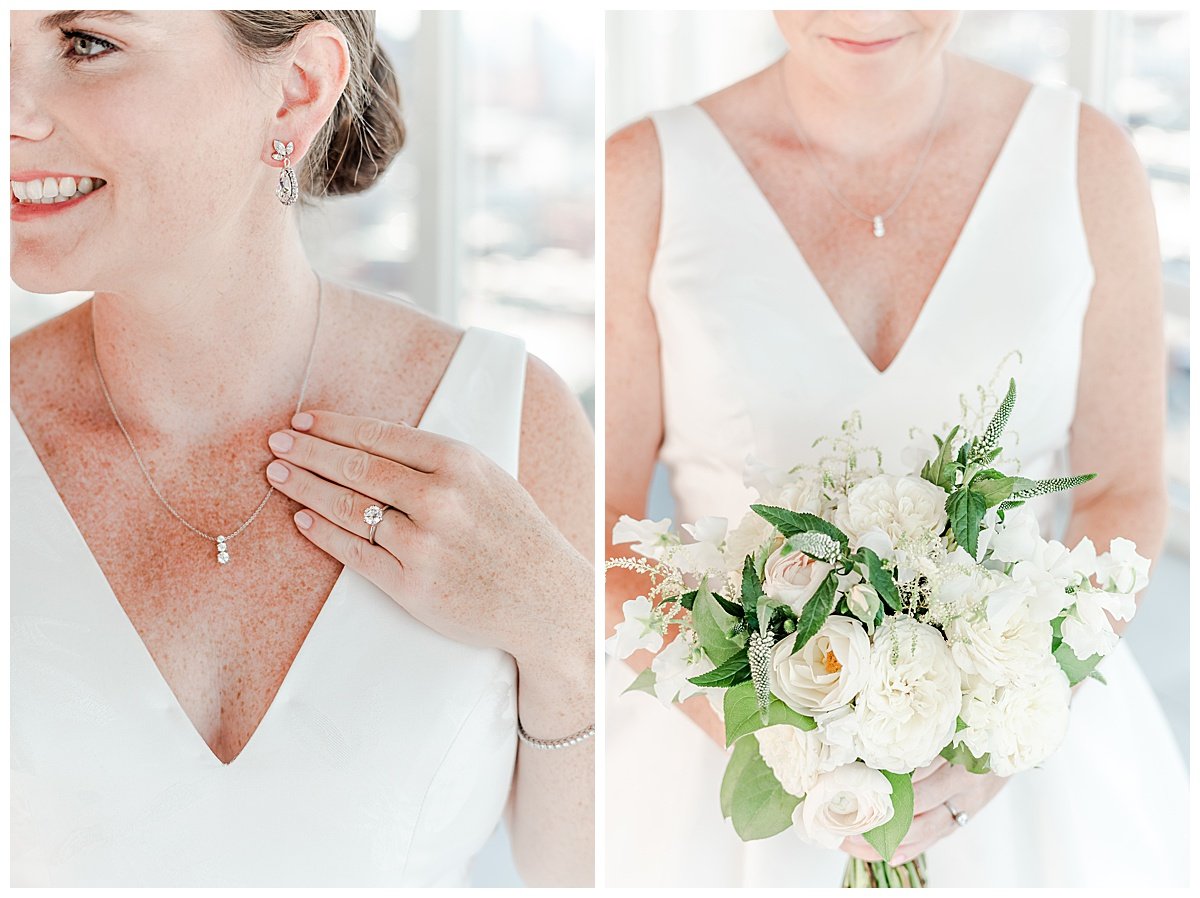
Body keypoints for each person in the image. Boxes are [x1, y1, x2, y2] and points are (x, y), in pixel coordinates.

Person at [10, 10, 594, 887]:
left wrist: (564, 635)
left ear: (296, 90)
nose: (10, 108)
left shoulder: (510, 421)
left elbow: (578, 877)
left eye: (87, 43)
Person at [605, 9, 1186, 887]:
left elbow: (1127, 491)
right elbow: (596, 520)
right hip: (721, 768)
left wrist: (1005, 726)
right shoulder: (642, 175)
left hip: (1029, 775)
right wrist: (793, 748)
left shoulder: (1087, 161)